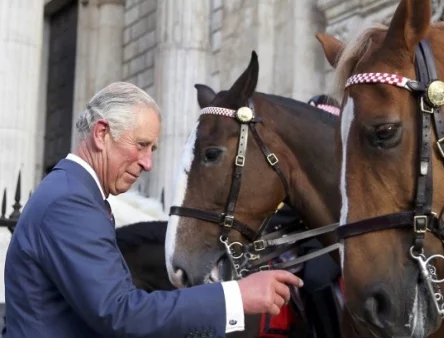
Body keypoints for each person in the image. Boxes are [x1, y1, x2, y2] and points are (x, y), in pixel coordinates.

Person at [3, 82, 303, 338]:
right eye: (141, 145)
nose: (148, 163)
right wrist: (236, 297)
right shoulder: (70, 202)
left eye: (153, 150)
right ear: (101, 134)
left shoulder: (73, 191)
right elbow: (120, 313)